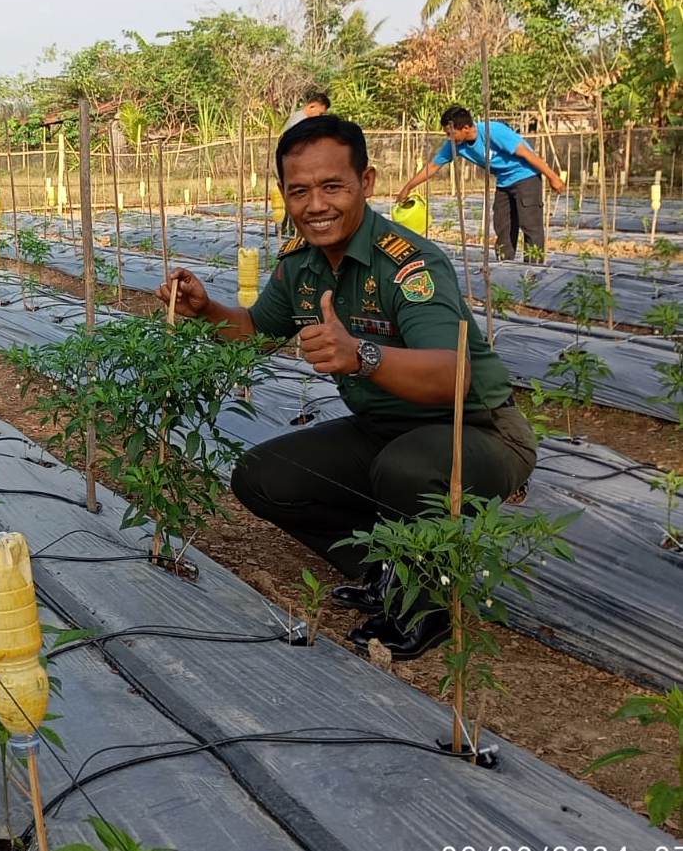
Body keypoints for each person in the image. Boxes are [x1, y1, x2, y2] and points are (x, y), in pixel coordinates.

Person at [157, 115, 536, 661]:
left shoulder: (409, 265)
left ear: (368, 182)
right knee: (263, 478)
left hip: (476, 431)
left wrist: (362, 355)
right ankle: (384, 566)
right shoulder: (300, 266)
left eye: (332, 186)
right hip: (383, 430)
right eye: (299, 190)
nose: (316, 205)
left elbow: (452, 376)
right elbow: (258, 332)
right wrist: (206, 310)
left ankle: (428, 605)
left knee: (405, 470)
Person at [397, 105, 566, 263]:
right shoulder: (455, 144)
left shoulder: (493, 131)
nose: (449, 138)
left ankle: (534, 270)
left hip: (526, 177)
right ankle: (506, 267)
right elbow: (433, 166)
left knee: (530, 224)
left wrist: (553, 177)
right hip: (504, 181)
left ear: (465, 128)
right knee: (502, 225)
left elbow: (528, 154)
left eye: (451, 133)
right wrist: (408, 187)